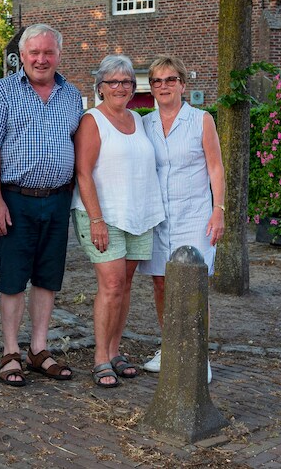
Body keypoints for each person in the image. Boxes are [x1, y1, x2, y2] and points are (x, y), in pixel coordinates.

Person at [0, 24, 82, 387]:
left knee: (47, 278)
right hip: (15, 199)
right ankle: (10, 351)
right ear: (22, 56)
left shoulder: (73, 96)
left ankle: (38, 350)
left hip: (57, 200)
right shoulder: (3, 91)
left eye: (48, 52)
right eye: (34, 53)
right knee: (13, 279)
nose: (41, 59)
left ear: (58, 54)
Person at [72, 54, 165, 388]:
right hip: (102, 216)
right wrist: (96, 219)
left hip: (137, 216)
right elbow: (83, 173)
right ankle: (100, 357)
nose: (121, 87)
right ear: (101, 88)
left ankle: (114, 350)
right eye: (113, 82)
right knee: (110, 285)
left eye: (126, 81)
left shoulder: (138, 120)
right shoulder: (91, 121)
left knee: (125, 286)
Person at [138, 55, 225, 383]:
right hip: (159, 218)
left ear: (182, 84)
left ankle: (197, 354)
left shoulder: (201, 120)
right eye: (157, 81)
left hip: (194, 217)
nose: (163, 86)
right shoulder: (144, 124)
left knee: (193, 286)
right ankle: (171, 348)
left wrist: (219, 211)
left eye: (170, 80)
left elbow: (216, 167)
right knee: (161, 283)